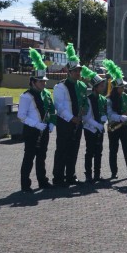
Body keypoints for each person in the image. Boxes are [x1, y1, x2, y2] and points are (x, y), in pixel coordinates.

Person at [17, 49, 55, 192]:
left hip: (43, 130)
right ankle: (25, 184)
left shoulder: (46, 94)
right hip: (32, 131)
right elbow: (21, 116)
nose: (44, 84)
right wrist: (36, 124)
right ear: (33, 82)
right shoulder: (26, 96)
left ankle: (42, 180)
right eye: (41, 81)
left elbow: (51, 110)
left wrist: (51, 123)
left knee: (42, 157)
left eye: (44, 81)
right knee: (29, 157)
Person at [52, 44, 87, 187]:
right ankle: (58, 177)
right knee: (62, 150)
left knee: (74, 149)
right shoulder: (60, 87)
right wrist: (72, 118)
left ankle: (71, 175)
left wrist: (84, 111)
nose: (78, 72)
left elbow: (84, 102)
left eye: (79, 70)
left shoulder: (82, 86)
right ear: (69, 71)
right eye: (75, 70)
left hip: (78, 123)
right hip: (65, 123)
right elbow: (59, 107)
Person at [82, 72, 108, 183]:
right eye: (101, 86)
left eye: (103, 85)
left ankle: (97, 174)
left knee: (99, 152)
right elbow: (86, 117)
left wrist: (105, 118)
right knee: (90, 152)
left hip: (100, 129)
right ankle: (88, 175)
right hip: (90, 129)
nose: (103, 87)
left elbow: (104, 112)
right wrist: (97, 125)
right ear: (95, 87)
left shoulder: (103, 99)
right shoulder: (88, 99)